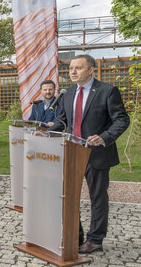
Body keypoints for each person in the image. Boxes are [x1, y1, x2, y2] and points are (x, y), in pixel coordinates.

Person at [49, 54, 129, 254]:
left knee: (98, 197)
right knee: (67, 196)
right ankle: (75, 237)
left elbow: (121, 120)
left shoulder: (107, 91)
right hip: (72, 152)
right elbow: (64, 120)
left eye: (78, 68)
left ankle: (95, 240)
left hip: (97, 154)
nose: (73, 72)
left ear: (91, 70)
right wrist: (49, 128)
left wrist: (104, 137)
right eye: (71, 69)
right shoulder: (67, 93)